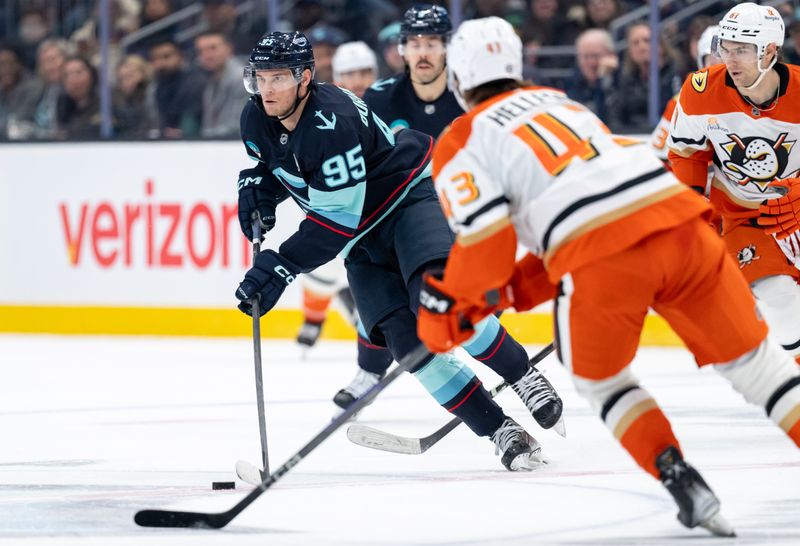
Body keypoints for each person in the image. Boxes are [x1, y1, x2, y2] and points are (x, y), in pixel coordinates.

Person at [418, 15, 800, 536]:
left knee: (602, 381)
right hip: (682, 227)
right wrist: (507, 290)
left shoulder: (461, 137)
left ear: (458, 80)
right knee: (759, 368)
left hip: (602, 257)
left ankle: (676, 474)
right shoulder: (561, 103)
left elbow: (489, 246)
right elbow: (585, 214)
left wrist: (446, 316)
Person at [233, 30, 564, 471]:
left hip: (405, 204)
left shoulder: (330, 119)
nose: (267, 89)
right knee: (409, 345)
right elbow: (286, 164)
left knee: (439, 300)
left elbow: (335, 220)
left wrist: (280, 266)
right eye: (260, 77)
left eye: (278, 78)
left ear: (305, 77)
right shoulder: (255, 120)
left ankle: (523, 376)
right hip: (359, 241)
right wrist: (260, 187)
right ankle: (500, 430)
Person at [668, 3, 800, 363]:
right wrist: (692, 215)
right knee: (779, 300)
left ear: (770, 52)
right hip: (746, 219)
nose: (731, 59)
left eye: (742, 50)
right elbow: (686, 154)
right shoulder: (699, 92)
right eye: (725, 48)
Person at [363, 4, 463, 136]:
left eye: (431, 44)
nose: (423, 54)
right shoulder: (379, 97)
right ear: (403, 50)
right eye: (415, 45)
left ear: (448, 48)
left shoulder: (468, 93)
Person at [650, 25, 717, 166]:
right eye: (713, 62)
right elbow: (657, 159)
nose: (719, 70)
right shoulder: (680, 102)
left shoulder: (757, 101)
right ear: (701, 64)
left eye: (724, 62)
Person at [147, 39, 205, 138]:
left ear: (180, 56)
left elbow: (192, 120)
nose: (161, 63)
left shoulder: (195, 81)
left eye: (166, 56)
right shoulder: (155, 86)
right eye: (155, 59)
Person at [194, 31, 247, 138]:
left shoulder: (241, 78)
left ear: (229, 48)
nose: (207, 55)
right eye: (201, 51)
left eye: (213, 48)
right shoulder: (208, 79)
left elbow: (238, 125)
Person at [564, 28, 618, 124]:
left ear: (611, 55)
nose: (591, 62)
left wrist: (603, 80)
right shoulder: (573, 82)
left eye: (595, 56)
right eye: (585, 57)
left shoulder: (621, 79)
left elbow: (608, 118)